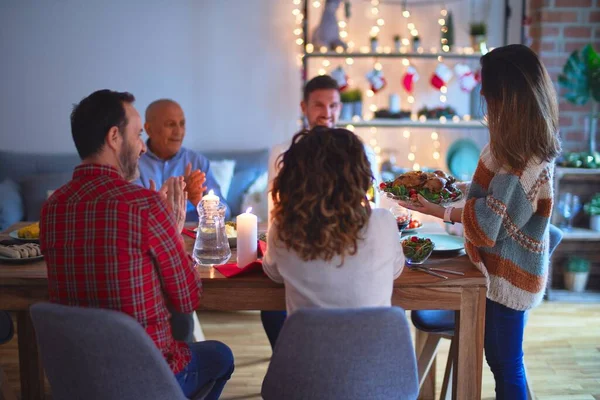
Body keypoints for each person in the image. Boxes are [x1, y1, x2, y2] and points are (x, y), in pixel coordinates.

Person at [40, 90, 234, 399]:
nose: (143, 146)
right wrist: (172, 231)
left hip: (77, 377)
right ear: (115, 137)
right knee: (221, 357)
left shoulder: (53, 206)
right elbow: (187, 298)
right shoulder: (142, 204)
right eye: (139, 134)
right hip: (144, 376)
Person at [400, 44, 561, 400]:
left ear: (509, 98)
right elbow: (486, 196)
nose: (486, 105)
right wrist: (445, 187)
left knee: (505, 365)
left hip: (508, 277)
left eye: (489, 97)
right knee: (501, 361)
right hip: (490, 270)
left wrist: (437, 210)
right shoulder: (509, 145)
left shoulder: (528, 162)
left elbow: (488, 224)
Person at [261, 75, 381, 349]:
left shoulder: (361, 152)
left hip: (349, 246)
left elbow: (372, 209)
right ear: (304, 107)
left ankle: (299, 363)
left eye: (334, 106)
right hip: (302, 239)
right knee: (273, 308)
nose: (327, 113)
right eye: (319, 105)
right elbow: (275, 210)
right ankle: (292, 359)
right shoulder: (285, 153)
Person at [263, 127, 404, 315]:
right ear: (359, 175)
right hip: (375, 343)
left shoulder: (283, 228)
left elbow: (273, 274)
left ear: (294, 177)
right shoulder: (385, 222)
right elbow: (395, 271)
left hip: (308, 344)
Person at [135, 99, 230, 221]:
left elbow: (225, 214)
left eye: (182, 123)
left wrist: (199, 202)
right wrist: (176, 193)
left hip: (193, 238)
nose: (179, 131)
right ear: (149, 129)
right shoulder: (134, 162)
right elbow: (133, 212)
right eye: (170, 124)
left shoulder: (198, 162)